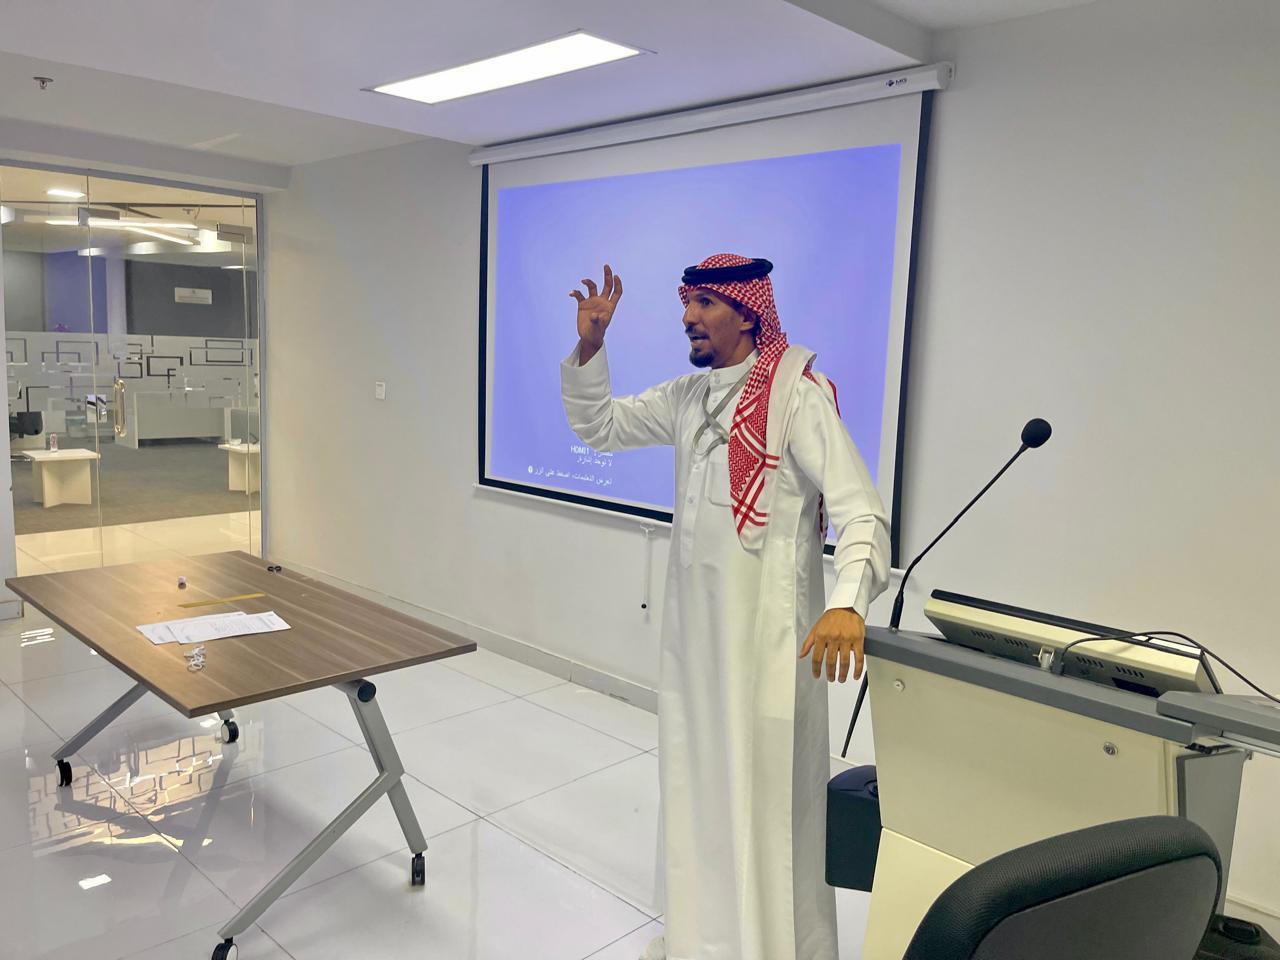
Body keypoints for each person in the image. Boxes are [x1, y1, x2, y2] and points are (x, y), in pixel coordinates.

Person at [561, 254, 890, 960]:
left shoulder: (797, 397)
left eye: (705, 303)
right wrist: (590, 349)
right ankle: (703, 943)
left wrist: (847, 604)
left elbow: (861, 512)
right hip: (694, 648)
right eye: (687, 303)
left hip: (766, 650)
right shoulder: (689, 396)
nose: (688, 317)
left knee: (766, 809)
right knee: (697, 791)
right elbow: (603, 427)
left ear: (747, 312)